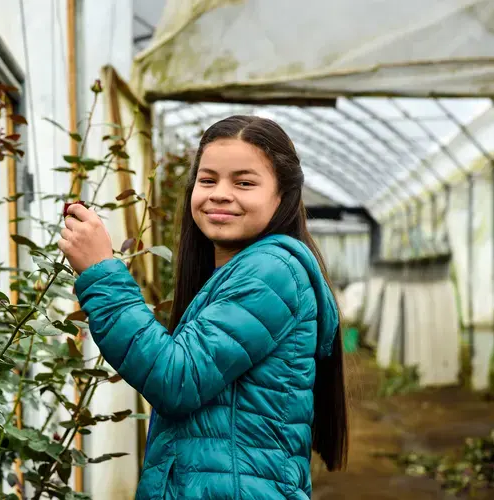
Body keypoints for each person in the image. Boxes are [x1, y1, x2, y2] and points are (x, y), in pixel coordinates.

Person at [58, 115, 348, 499]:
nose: (219, 194)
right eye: (207, 180)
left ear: (283, 196)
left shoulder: (270, 272)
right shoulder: (239, 270)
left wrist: (101, 273)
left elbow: (176, 378)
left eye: (244, 182)